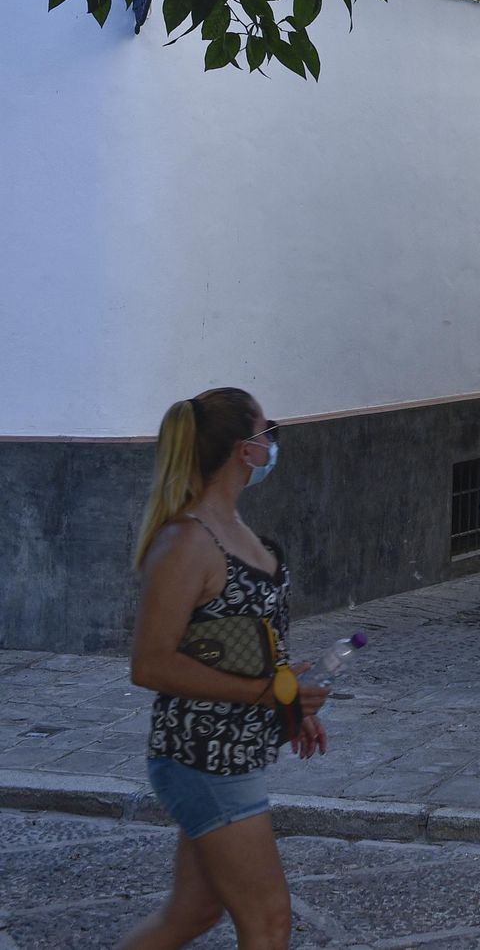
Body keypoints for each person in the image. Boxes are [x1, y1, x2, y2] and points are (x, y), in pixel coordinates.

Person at [118, 388, 329, 950]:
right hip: (204, 757)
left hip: (233, 752)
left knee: (192, 913)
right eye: (267, 431)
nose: (273, 443)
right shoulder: (187, 541)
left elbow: (248, 638)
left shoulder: (236, 530)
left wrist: (289, 702)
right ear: (244, 449)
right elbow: (150, 664)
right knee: (269, 920)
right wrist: (266, 694)